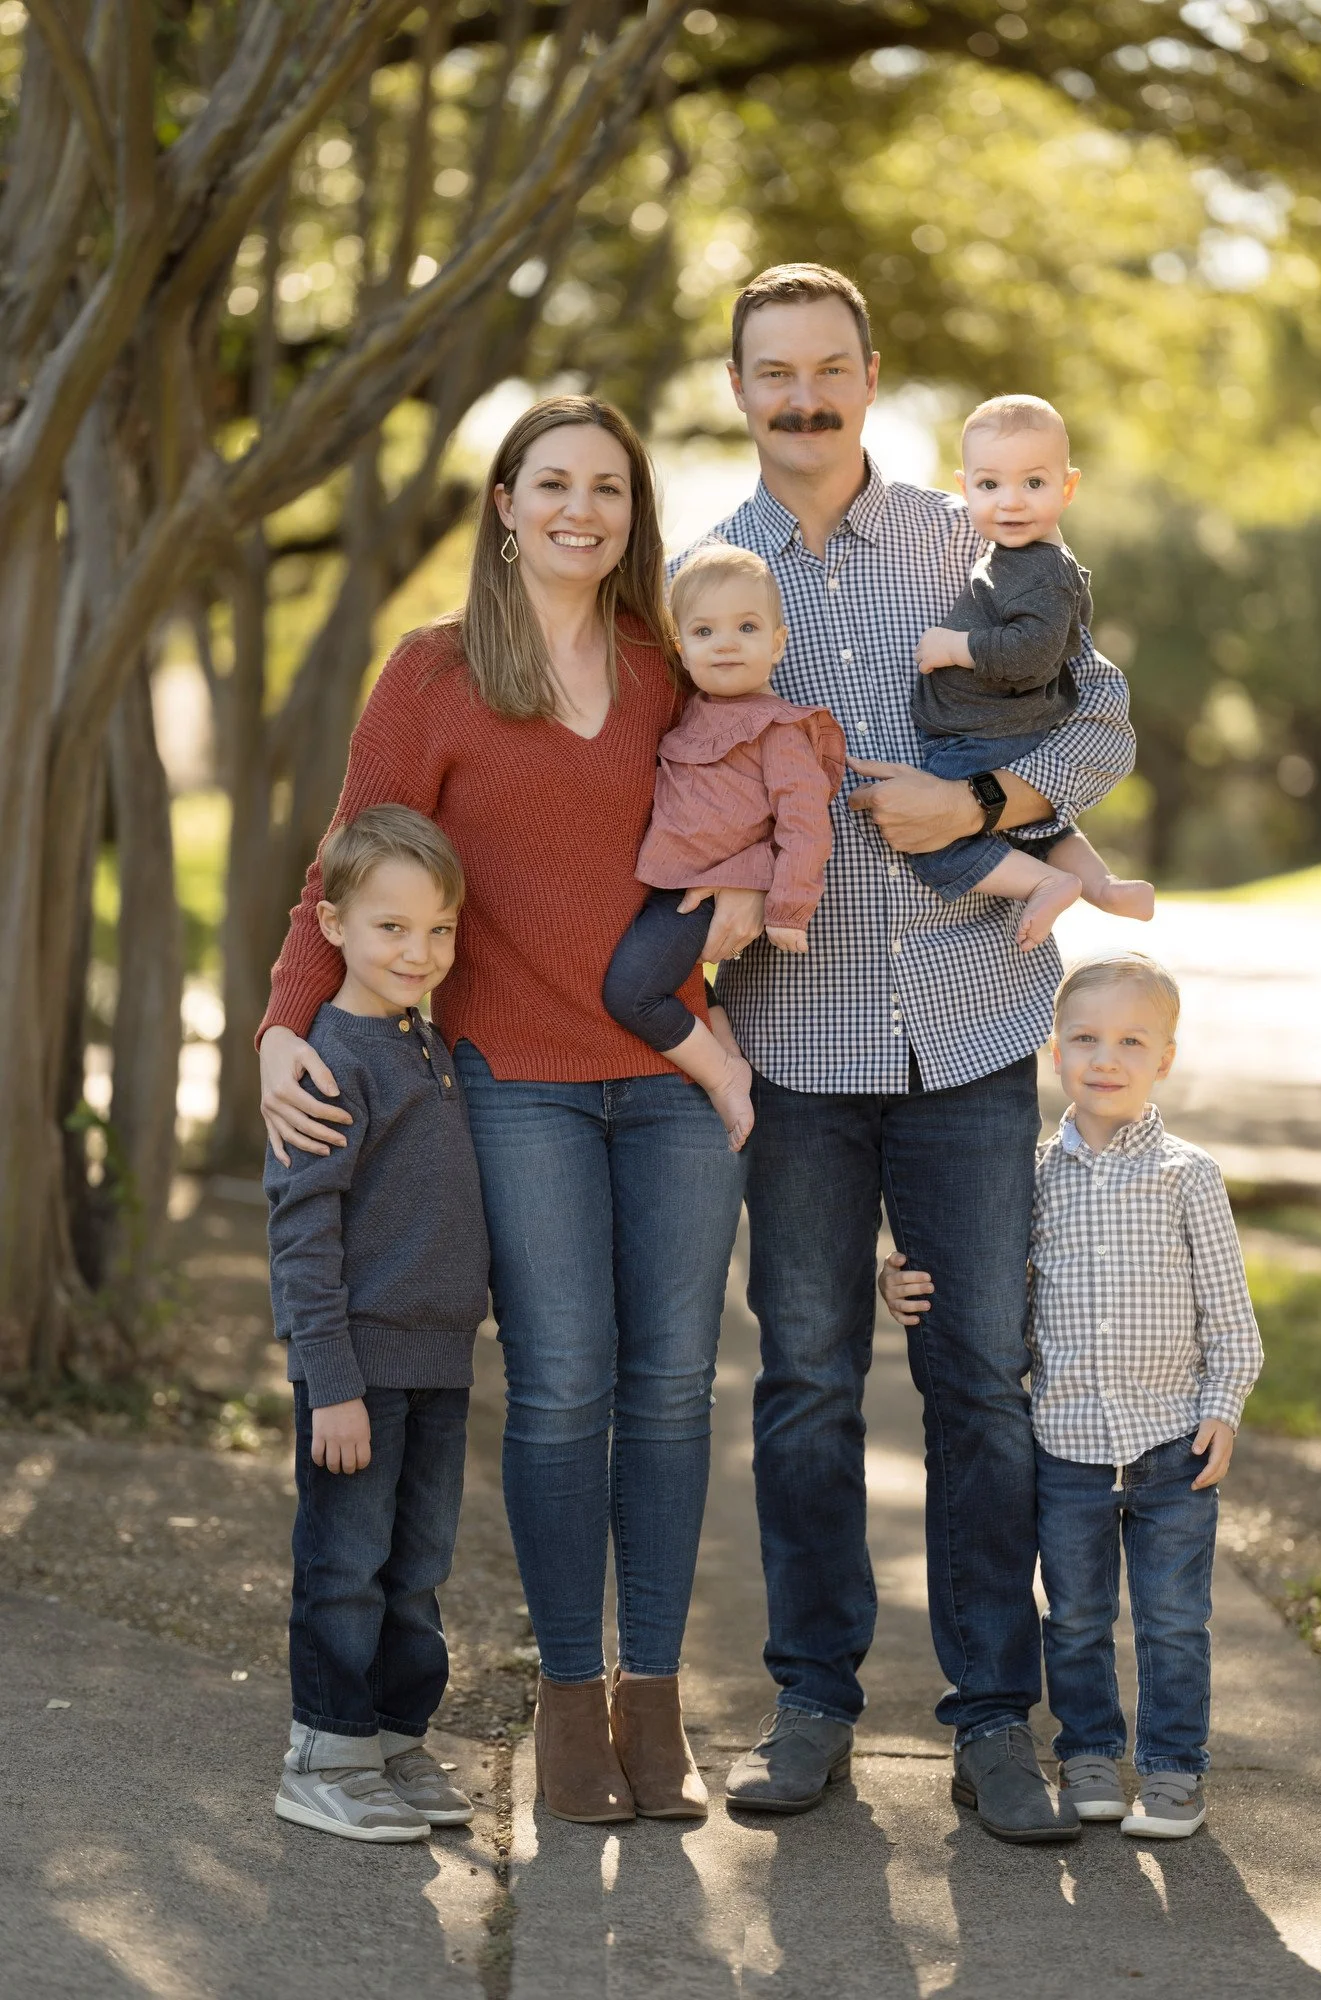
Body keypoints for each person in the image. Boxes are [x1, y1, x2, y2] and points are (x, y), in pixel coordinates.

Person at [258, 396, 757, 1828]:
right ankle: (565, 1707)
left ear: (633, 509)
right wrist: (280, 1030)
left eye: (608, 486)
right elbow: (342, 868)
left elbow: (752, 816)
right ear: (504, 501)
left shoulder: (673, 666)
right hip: (513, 1082)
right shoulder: (431, 673)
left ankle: (652, 1712)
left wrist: (742, 906)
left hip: (670, 1080)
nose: (580, 509)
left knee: (673, 1395)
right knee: (560, 1390)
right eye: (553, 483)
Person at [686, 262, 1135, 1842]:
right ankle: (811, 1700)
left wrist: (989, 808)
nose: (801, 397)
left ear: (871, 374)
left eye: (827, 368)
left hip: (968, 1031)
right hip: (793, 1048)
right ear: (739, 390)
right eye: (772, 374)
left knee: (983, 1386)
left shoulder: (979, 539)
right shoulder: (704, 576)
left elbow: (1100, 724)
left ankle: (993, 1720)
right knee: (805, 1382)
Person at [882, 952, 1263, 1840]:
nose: (1107, 1057)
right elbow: (987, 1292)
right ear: (1054, 1051)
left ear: (1165, 1058)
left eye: (1132, 1040)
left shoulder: (1188, 1175)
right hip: (1068, 1443)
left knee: (1173, 1620)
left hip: (1173, 1443)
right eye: (1085, 1037)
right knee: (1079, 1615)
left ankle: (1172, 1773)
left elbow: (1232, 1317)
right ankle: (1089, 1753)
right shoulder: (1029, 1177)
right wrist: (893, 1280)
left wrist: (1224, 1408)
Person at [267, 805, 488, 1844]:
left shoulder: (428, 1044)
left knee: (417, 1566)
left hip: (436, 1364)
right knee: (345, 1565)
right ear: (334, 926)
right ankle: (326, 1748)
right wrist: (333, 1381)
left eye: (438, 928)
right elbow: (304, 1234)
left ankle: (396, 1737)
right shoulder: (330, 1060)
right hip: (355, 1370)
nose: (420, 949)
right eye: (393, 926)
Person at [603, 544, 845, 1150]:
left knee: (631, 991)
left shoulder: (779, 727)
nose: (727, 643)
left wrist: (788, 907)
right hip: (672, 885)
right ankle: (724, 1040)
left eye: (746, 627)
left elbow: (805, 822)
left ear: (778, 644)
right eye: (705, 631)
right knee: (660, 974)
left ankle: (723, 1076)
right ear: (682, 651)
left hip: (708, 894)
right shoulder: (688, 715)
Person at [908, 393, 1154, 950]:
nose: (1010, 503)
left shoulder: (1040, 568)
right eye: (990, 485)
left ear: (1067, 488)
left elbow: (1034, 653)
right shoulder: (1025, 556)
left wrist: (957, 647)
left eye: (1034, 484)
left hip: (985, 734)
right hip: (997, 728)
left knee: (932, 835)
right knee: (1041, 824)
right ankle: (1105, 887)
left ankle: (1047, 883)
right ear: (964, 485)